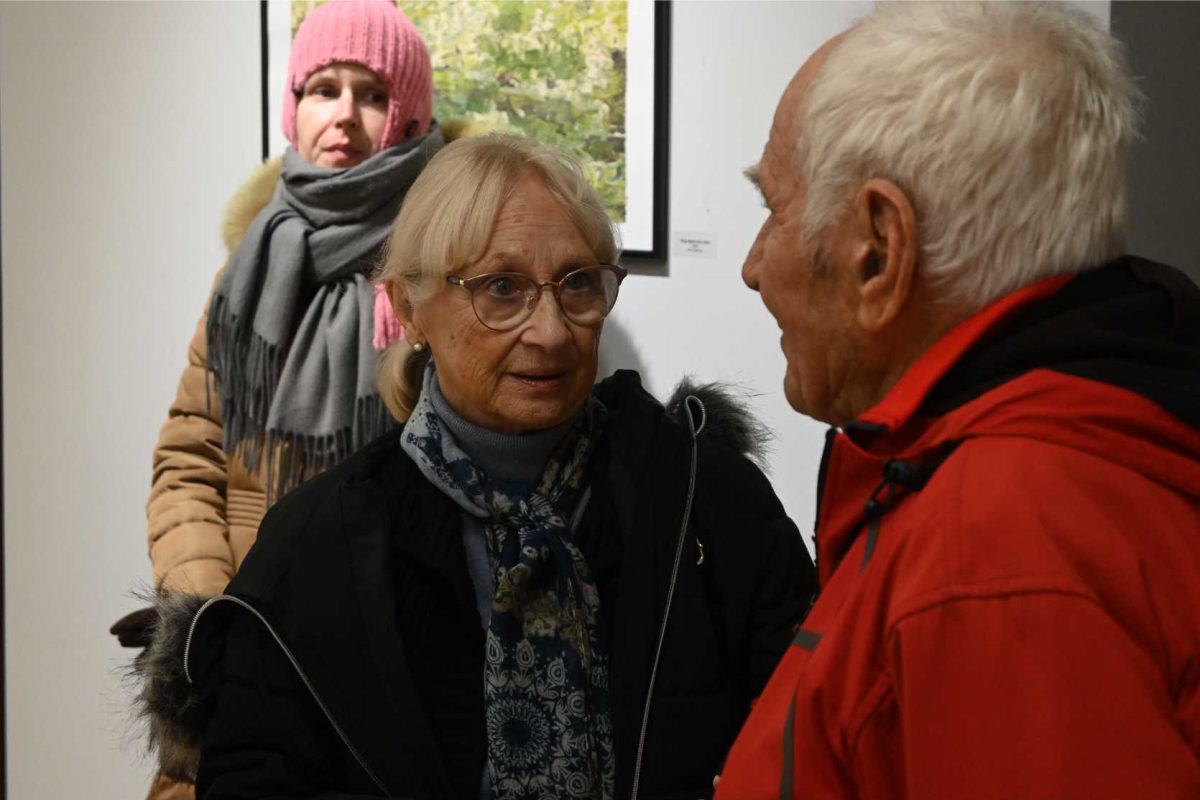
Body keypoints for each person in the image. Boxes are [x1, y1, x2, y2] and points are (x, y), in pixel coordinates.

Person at [137, 134, 815, 799]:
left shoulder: (706, 500)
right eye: (501, 288)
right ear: (409, 308)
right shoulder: (317, 548)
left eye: (578, 283)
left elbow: (815, 740)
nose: (550, 331)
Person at [714, 3, 1200, 798]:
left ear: (878, 250)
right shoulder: (1062, 464)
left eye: (773, 209)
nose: (754, 266)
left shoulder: (998, 544)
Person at [121, 1, 439, 797]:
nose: (344, 115)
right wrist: (210, 612)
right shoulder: (250, 269)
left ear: (409, 115)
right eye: (322, 89)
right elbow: (190, 457)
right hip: (243, 634)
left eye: (372, 93)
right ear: (293, 107)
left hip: (385, 664)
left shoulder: (444, 271)